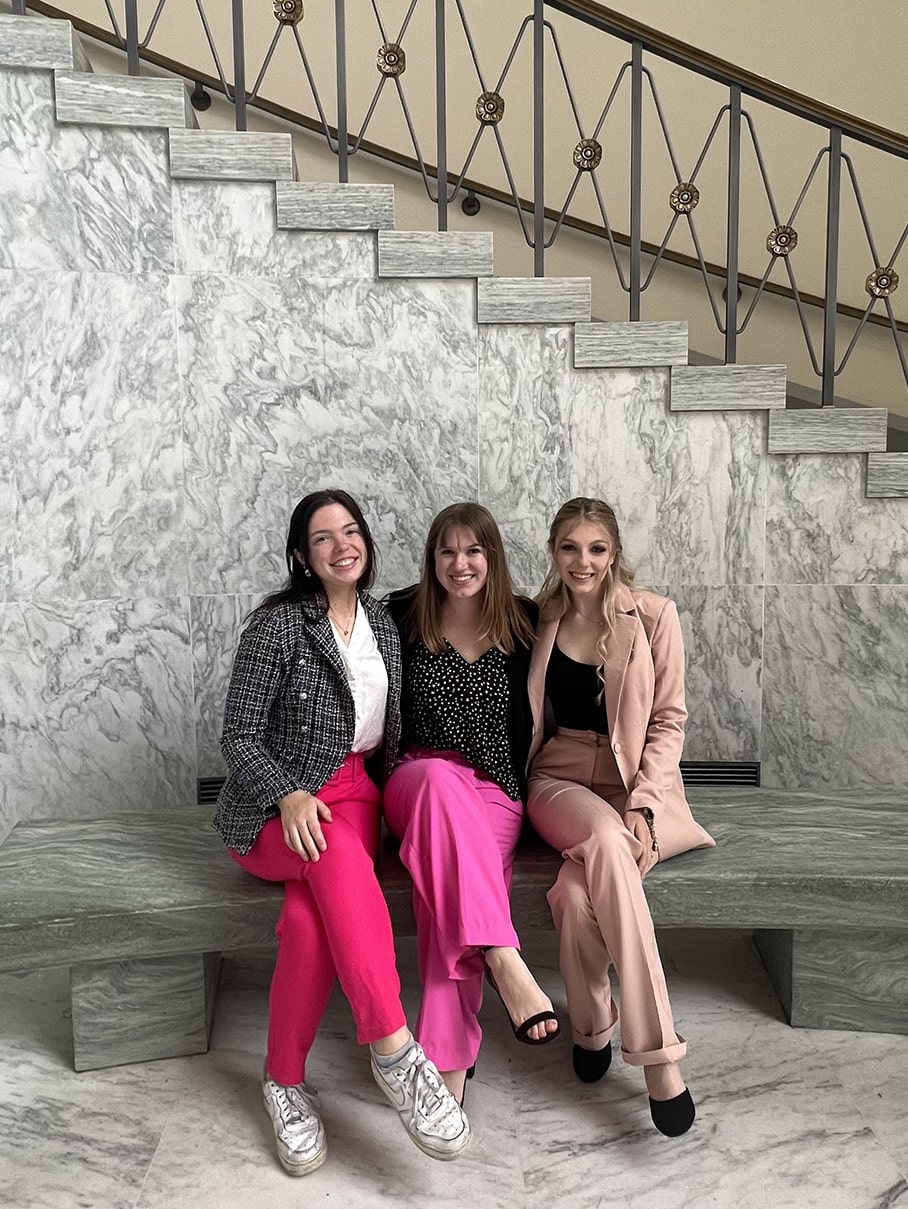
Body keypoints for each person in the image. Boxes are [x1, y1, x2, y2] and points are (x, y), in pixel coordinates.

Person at [213, 489, 470, 1176]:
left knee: (307, 923)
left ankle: (283, 1081)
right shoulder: (278, 627)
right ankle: (393, 1049)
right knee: (328, 865)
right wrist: (288, 792)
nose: (340, 545)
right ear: (302, 554)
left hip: (359, 793)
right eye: (322, 537)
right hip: (276, 807)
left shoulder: (385, 623)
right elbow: (237, 734)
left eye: (350, 531)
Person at [526, 498, 714, 1137]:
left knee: (576, 894)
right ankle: (661, 1059)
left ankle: (591, 1029)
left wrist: (644, 803)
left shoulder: (654, 616)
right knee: (605, 842)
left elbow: (668, 720)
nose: (583, 562)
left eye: (596, 549)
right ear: (553, 553)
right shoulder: (537, 619)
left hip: (634, 786)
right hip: (557, 780)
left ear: (614, 552)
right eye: (570, 549)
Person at [383, 502, 560, 1110]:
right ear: (432, 560)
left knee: (445, 897)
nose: (461, 564)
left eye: (474, 551)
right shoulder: (399, 617)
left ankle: (445, 1069)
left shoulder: (528, 623)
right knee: (438, 782)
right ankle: (505, 959)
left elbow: (599, 627)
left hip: (495, 793)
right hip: (419, 780)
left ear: (494, 557)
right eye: (448, 552)